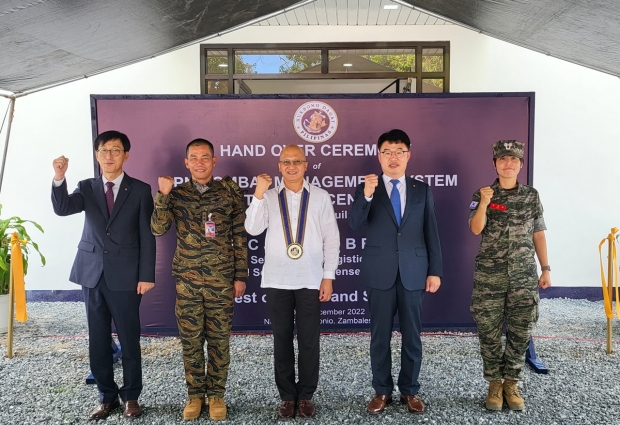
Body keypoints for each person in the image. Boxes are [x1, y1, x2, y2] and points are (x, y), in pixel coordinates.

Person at [51, 130, 156, 420]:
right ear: (97, 155)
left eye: (116, 150)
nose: (109, 156)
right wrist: (59, 176)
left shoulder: (140, 189)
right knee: (97, 339)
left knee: (129, 338)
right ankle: (106, 396)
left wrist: (146, 275)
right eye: (104, 151)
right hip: (92, 274)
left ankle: (131, 396)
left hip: (126, 276)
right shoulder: (86, 187)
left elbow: (147, 236)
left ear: (126, 155)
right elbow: (62, 208)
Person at [150, 138, 247, 421]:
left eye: (206, 157)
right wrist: (163, 195)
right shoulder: (176, 193)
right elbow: (158, 228)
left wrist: (240, 276)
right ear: (186, 162)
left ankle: (216, 396)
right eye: (194, 157)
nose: (200, 162)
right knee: (191, 341)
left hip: (220, 280)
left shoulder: (229, 194)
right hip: (188, 281)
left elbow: (239, 237)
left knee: (219, 341)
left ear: (214, 161)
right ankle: (194, 397)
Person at [349, 129, 442, 415]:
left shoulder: (421, 189)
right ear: (379, 156)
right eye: (387, 151)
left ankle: (410, 391)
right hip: (380, 273)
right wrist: (365, 195)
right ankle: (381, 391)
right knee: (380, 336)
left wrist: (435, 271)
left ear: (408, 155)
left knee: (412, 336)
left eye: (399, 151)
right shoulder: (368, 187)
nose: (393, 157)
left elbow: (431, 232)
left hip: (414, 272)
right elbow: (354, 223)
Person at [244, 144, 340, 419]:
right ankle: (287, 396)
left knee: (309, 340)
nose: (291, 166)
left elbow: (331, 239)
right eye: (286, 161)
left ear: (306, 164)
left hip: (310, 279)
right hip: (277, 280)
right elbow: (252, 229)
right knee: (282, 339)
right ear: (279, 165)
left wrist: (328, 276)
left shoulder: (320, 197)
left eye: (297, 161)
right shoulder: (269, 196)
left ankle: (306, 395)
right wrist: (258, 194)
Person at [469, 140, 551, 411]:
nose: (508, 164)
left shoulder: (531, 195)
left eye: (513, 160)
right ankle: (494, 383)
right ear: (494, 164)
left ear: (520, 164)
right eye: (503, 159)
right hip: (490, 277)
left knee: (520, 332)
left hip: (524, 277)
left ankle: (511, 383)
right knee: (489, 333)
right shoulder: (482, 193)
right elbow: (475, 229)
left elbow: (538, 232)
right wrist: (484, 202)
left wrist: (546, 268)